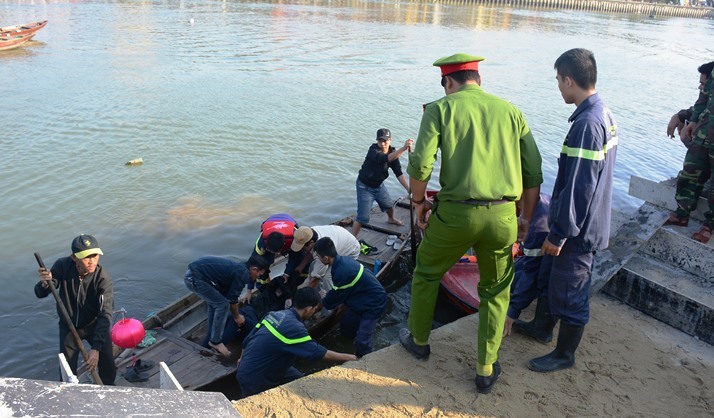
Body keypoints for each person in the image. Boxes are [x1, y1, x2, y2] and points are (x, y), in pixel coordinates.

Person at [399, 53, 543, 395]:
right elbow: (533, 171)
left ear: (448, 82)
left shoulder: (439, 109)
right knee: (495, 291)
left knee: (427, 272)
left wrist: (419, 202)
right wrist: (526, 218)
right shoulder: (512, 111)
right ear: (477, 79)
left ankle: (419, 341)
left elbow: (420, 164)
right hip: (503, 215)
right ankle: (485, 368)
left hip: (455, 214)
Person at [526, 48, 619, 374]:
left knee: (571, 291)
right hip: (584, 223)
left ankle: (565, 355)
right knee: (553, 281)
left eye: (558, 80)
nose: (558, 87)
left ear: (568, 80)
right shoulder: (601, 114)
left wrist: (560, 232)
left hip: (578, 231)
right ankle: (540, 329)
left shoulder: (587, 125)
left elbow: (580, 186)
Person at [235, 287, 357, 397]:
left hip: (250, 366)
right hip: (254, 378)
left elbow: (246, 341)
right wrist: (353, 357)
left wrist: (242, 359)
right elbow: (319, 353)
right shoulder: (295, 328)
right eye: (315, 309)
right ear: (309, 308)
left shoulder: (274, 314)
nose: (314, 312)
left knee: (302, 382)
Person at [35, 234, 116, 385]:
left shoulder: (103, 279)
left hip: (94, 325)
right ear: (74, 257)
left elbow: (106, 313)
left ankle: (109, 393)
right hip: (69, 326)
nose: (92, 261)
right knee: (67, 372)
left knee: (109, 367)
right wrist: (45, 283)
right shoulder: (62, 266)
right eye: (86, 257)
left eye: (95, 255)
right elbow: (40, 293)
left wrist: (96, 348)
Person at [665, 60, 714, 244]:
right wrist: (691, 120)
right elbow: (703, 98)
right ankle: (681, 214)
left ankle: (709, 225)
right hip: (705, 133)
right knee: (690, 172)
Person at [314, 237, 387, 357]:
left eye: (318, 256)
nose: (318, 259)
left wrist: (318, 306)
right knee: (346, 329)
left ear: (326, 258)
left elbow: (333, 298)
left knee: (362, 341)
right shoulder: (341, 261)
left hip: (374, 303)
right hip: (358, 299)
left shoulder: (341, 271)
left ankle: (364, 360)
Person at [184, 255, 269, 356]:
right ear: (254, 269)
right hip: (195, 278)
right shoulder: (243, 274)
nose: (259, 276)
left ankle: (212, 333)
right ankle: (215, 341)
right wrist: (237, 317)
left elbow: (227, 293)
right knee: (222, 305)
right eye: (259, 273)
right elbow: (232, 300)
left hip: (195, 274)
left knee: (216, 303)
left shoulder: (241, 268)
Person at [502, 194, 553, 342]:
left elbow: (530, 274)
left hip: (551, 267)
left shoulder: (535, 227)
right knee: (511, 273)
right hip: (542, 252)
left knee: (516, 282)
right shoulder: (542, 199)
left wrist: (513, 311)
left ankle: (540, 327)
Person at [351, 128, 413, 236]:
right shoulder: (373, 150)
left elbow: (398, 173)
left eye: (385, 141)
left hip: (378, 186)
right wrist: (404, 148)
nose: (383, 143)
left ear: (391, 140)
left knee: (389, 205)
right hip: (364, 187)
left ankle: (391, 219)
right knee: (363, 217)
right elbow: (386, 158)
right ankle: (351, 239)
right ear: (377, 141)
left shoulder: (393, 153)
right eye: (380, 141)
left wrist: (409, 189)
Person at [247, 213, 308, 304]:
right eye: (274, 252)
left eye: (278, 252)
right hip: (271, 224)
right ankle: (264, 288)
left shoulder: (293, 238)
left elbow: (293, 258)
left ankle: (293, 287)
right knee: (264, 263)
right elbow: (252, 267)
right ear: (267, 247)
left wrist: (287, 274)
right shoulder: (261, 244)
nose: (278, 254)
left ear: (283, 245)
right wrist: (249, 290)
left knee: (299, 260)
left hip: (288, 223)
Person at [291, 225, 361, 293]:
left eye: (303, 247)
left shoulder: (322, 252)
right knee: (313, 268)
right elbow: (309, 252)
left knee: (327, 277)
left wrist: (303, 294)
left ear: (311, 243)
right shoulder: (308, 233)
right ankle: (316, 293)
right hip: (339, 240)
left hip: (350, 250)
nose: (302, 250)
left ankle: (330, 299)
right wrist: (301, 267)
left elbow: (315, 279)